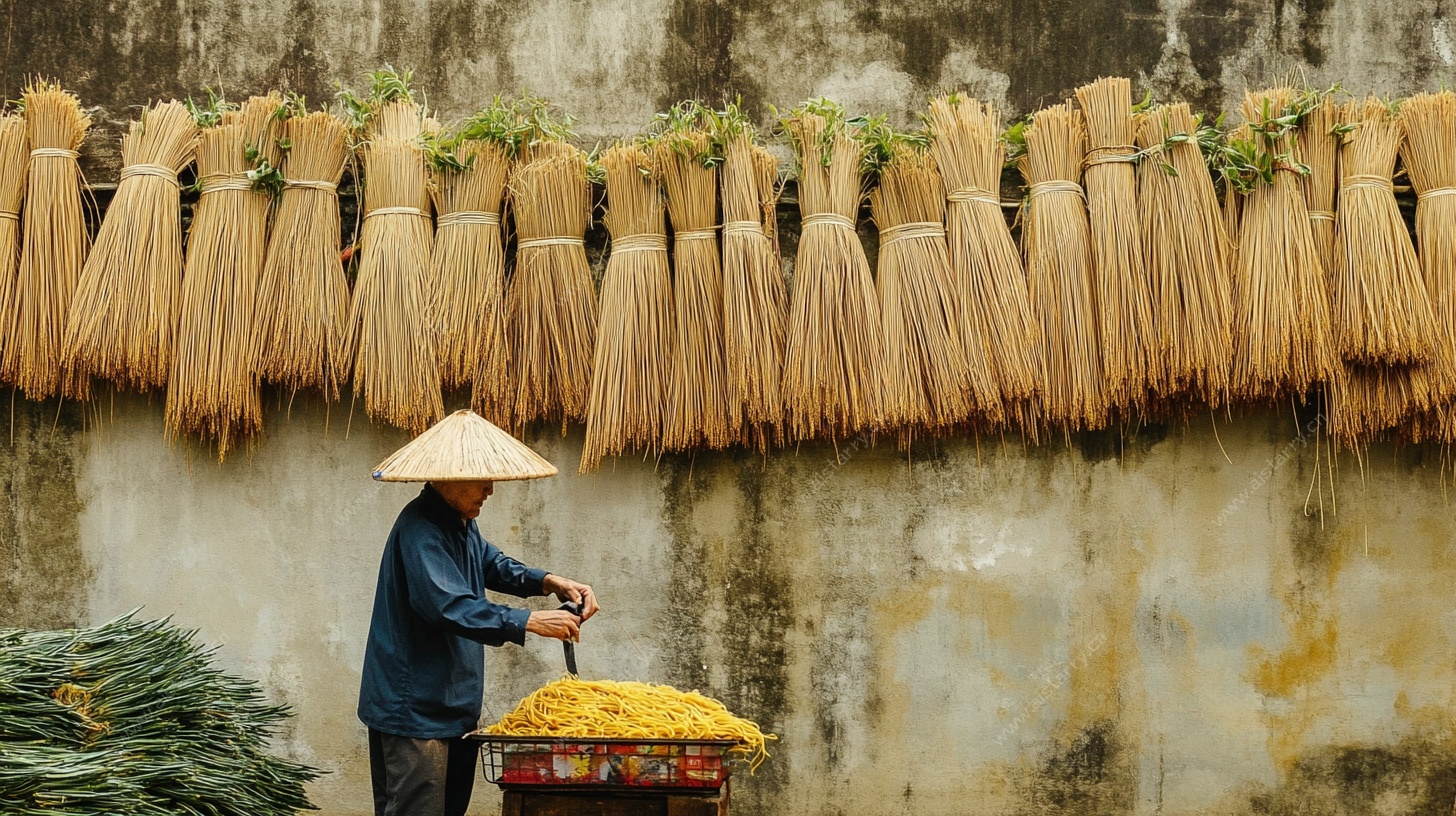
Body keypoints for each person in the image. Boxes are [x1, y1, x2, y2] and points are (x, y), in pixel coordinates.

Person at [358, 410, 599, 816]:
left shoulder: (460, 522)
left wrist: (551, 582)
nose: (490, 489)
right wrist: (530, 621)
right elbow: (448, 607)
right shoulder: (420, 529)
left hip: (453, 708)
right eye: (481, 479)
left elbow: (494, 565)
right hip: (416, 711)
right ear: (447, 477)